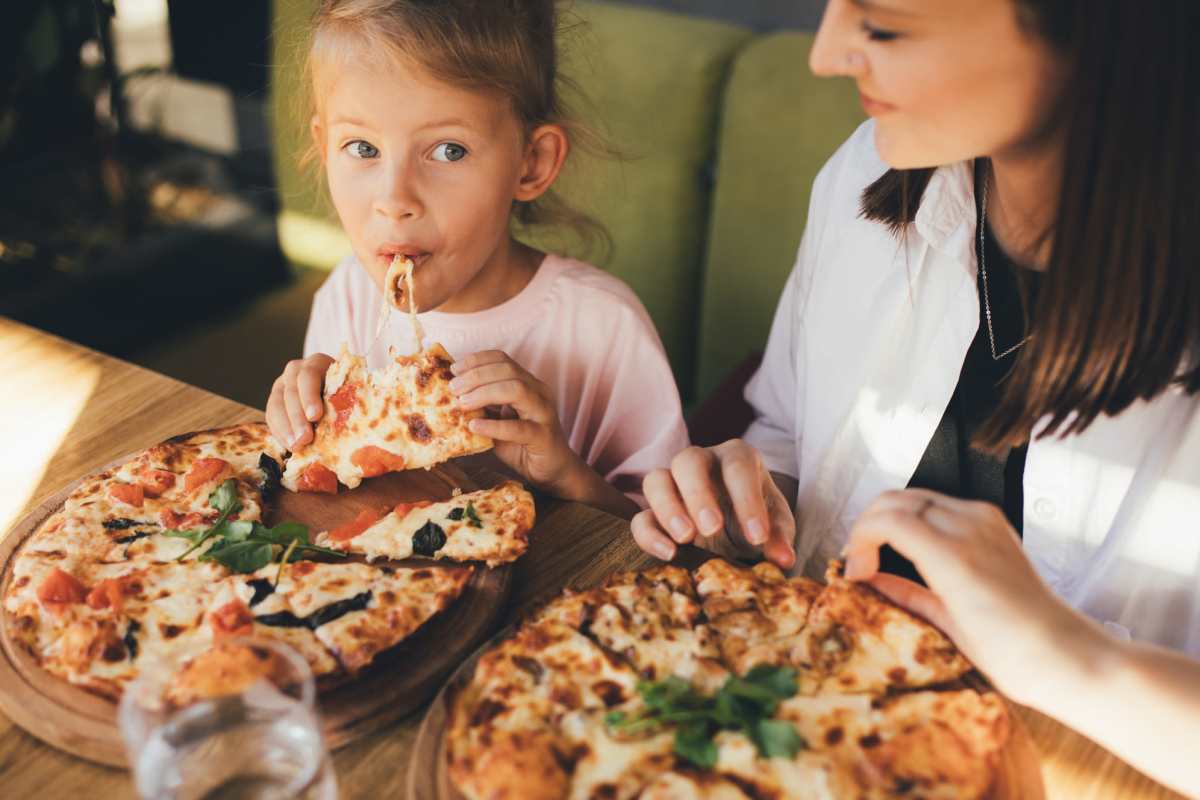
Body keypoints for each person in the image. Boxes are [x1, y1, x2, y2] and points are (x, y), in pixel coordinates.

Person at [631, 1, 1200, 794]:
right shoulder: (864, 171)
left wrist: (1071, 660)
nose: (825, 55)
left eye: (884, 23)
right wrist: (749, 499)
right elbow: (789, 429)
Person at [265, 0, 688, 518]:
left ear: (530, 164)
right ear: (324, 148)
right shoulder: (347, 294)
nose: (395, 199)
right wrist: (306, 428)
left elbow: (663, 543)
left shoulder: (604, 326)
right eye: (362, 148)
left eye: (448, 151)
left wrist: (563, 471)